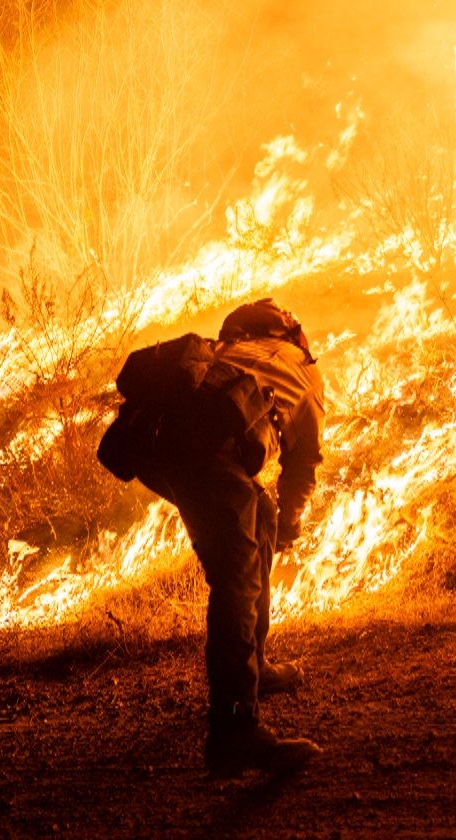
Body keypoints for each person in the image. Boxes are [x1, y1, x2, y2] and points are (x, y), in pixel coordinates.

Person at [143, 298, 326, 776]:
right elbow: (302, 462)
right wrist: (292, 521)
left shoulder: (226, 352)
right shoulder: (300, 370)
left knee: (256, 517)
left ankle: (255, 665)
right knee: (238, 578)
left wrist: (275, 521)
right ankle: (234, 731)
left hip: (156, 445)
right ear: (292, 335)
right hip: (210, 450)